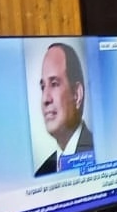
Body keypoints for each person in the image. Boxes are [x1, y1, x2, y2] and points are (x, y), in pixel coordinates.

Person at [33, 42, 94, 176]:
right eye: (43, 87)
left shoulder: (103, 152)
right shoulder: (42, 173)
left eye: (54, 84)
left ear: (76, 95)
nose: (45, 99)